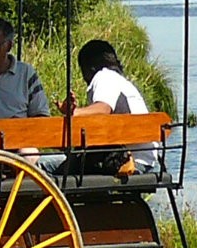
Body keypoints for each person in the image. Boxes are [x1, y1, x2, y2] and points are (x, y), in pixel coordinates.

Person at [44, 40, 159, 175]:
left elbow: (103, 109)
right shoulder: (120, 81)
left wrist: (75, 112)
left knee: (42, 166)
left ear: (89, 68)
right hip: (142, 159)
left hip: (126, 162)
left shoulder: (104, 77)